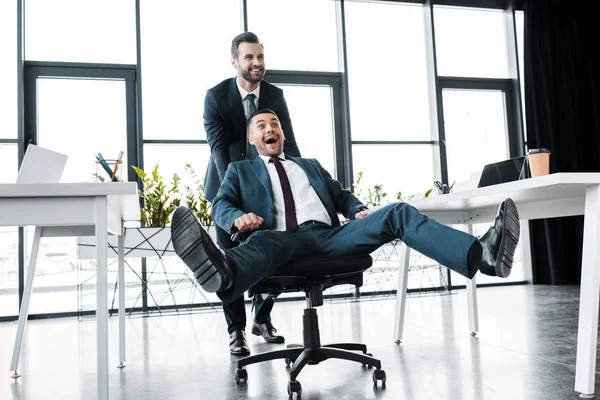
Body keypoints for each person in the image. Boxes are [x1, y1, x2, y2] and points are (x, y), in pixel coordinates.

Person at [174, 109, 520, 318]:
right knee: (264, 241)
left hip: (331, 236)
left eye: (275, 124)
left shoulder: (308, 164)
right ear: (252, 138)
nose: (270, 130)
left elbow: (340, 195)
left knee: (397, 211)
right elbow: (220, 204)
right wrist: (236, 218)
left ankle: (482, 255)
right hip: (280, 239)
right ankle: (225, 273)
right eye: (262, 126)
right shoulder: (240, 170)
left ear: (282, 132)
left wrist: (357, 210)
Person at [203, 32, 301, 355]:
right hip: (227, 189)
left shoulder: (275, 94)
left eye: (260, 57)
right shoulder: (216, 97)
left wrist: (303, 181)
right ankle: (236, 331)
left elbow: (288, 142)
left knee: (274, 251)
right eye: (249, 58)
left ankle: (261, 317)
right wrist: (234, 200)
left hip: (268, 186)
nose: (257, 63)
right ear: (235, 62)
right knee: (229, 261)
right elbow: (219, 152)